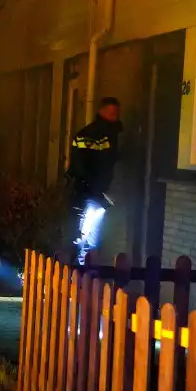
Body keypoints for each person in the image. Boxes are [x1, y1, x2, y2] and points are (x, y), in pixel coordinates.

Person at [67, 96, 123, 268]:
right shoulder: (92, 135)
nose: (115, 116)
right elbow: (82, 166)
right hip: (92, 194)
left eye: (116, 113)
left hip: (98, 194)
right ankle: (83, 275)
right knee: (88, 238)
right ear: (102, 111)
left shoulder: (111, 134)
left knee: (90, 237)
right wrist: (97, 190)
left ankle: (83, 275)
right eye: (111, 112)